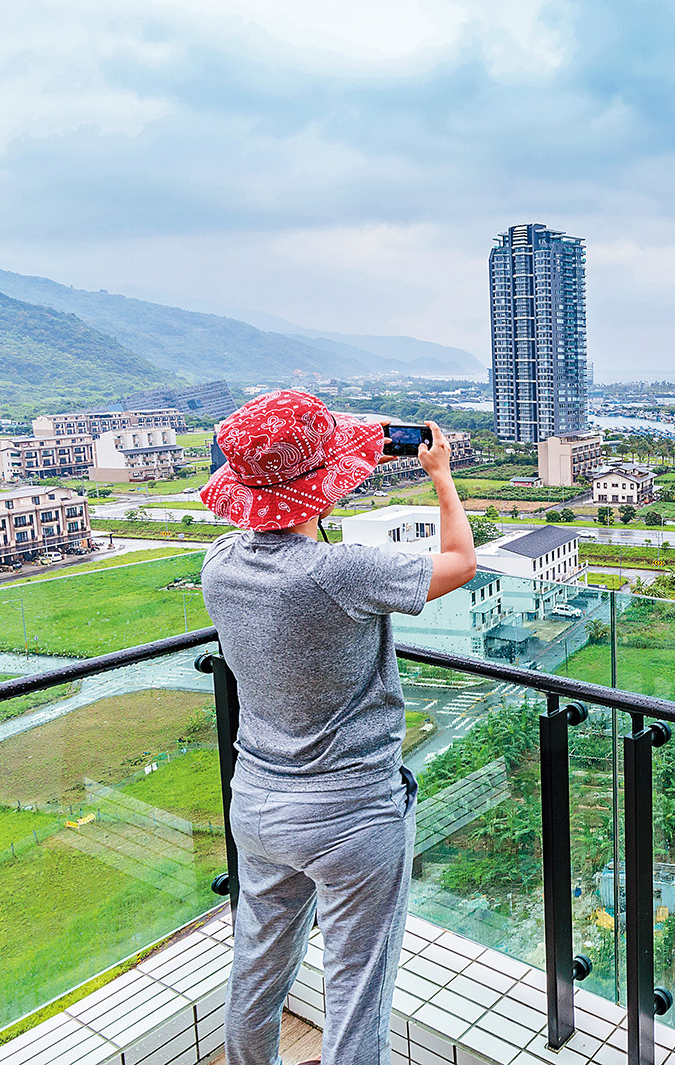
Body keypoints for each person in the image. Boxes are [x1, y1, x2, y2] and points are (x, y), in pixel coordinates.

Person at [197, 390, 477, 1065]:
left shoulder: (220, 564)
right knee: (355, 992)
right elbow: (463, 563)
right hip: (351, 815)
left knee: (256, 969)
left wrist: (339, 441)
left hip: (259, 804)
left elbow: (279, 480)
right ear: (320, 488)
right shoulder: (340, 573)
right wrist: (440, 476)